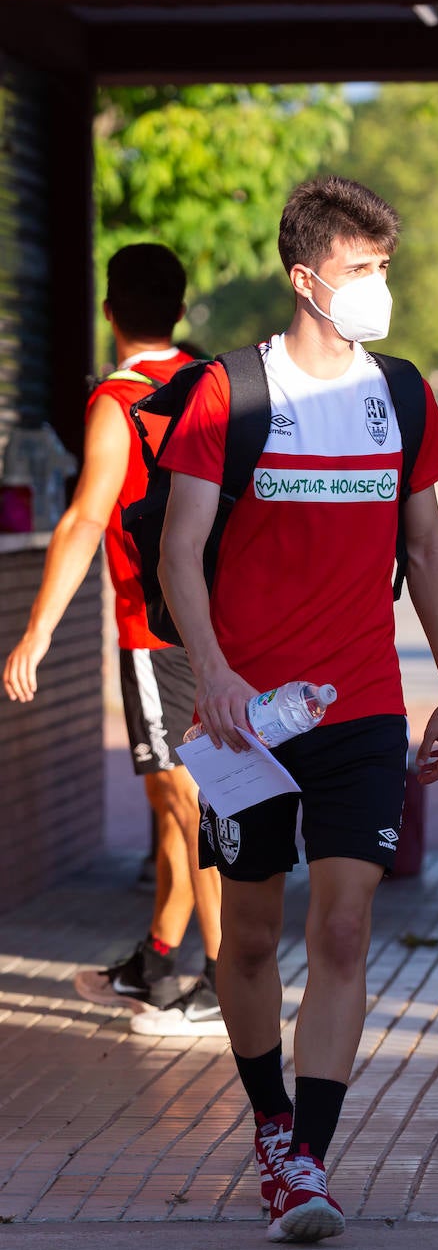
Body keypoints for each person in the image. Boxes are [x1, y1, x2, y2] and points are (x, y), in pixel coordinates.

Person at [158, 175, 438, 1245]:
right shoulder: (229, 394)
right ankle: (270, 1120)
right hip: (249, 722)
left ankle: (307, 1163)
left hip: (364, 709)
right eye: (359, 271)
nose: (378, 288)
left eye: (385, 269)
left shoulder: (402, 393)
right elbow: (180, 548)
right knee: (247, 941)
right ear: (305, 278)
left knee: (342, 929)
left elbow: (424, 547)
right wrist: (213, 673)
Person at [2, 244, 225, 1037]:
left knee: (190, 802)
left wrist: (36, 632)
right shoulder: (213, 386)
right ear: (180, 306)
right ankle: (159, 962)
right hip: (219, 629)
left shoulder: (119, 400)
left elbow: (86, 517)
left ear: (108, 312)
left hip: (153, 630)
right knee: (173, 803)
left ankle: (230, 987)